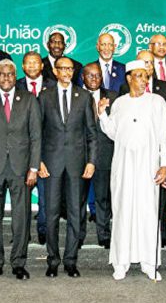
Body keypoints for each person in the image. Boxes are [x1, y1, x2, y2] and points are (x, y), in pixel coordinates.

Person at [98, 60, 166, 281]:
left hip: (149, 167)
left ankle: (150, 263)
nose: (144, 80)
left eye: (146, 76)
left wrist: (165, 165)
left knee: (148, 212)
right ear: (129, 78)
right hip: (123, 167)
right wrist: (102, 114)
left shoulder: (157, 102)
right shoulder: (119, 103)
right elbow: (113, 132)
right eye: (139, 76)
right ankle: (121, 262)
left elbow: (164, 136)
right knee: (123, 211)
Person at [0, 59, 41, 280]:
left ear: (16, 76)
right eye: (2, 74)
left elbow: (36, 136)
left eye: (10, 74)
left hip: (20, 168)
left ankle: (19, 263)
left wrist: (34, 167)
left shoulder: (29, 99)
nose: (6, 78)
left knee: (21, 217)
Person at [39, 57, 97, 278]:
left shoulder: (84, 97)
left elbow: (91, 133)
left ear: (74, 71)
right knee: (51, 213)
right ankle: (53, 260)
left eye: (70, 69)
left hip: (77, 164)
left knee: (75, 214)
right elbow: (37, 132)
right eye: (62, 68)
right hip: (50, 164)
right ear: (55, 71)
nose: (66, 72)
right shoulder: (44, 96)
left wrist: (91, 161)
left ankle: (71, 260)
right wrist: (38, 161)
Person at [82, 63, 118, 248]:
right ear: (83, 77)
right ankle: (78, 235)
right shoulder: (75, 95)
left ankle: (104, 234)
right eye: (90, 75)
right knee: (78, 199)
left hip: (105, 154)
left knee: (103, 197)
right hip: (80, 154)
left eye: (97, 75)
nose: (94, 79)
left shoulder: (113, 97)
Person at [17, 51, 51, 245]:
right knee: (21, 199)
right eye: (28, 63)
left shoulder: (53, 87)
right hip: (20, 152)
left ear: (42, 66)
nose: (31, 66)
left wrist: (41, 158)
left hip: (47, 151)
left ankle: (43, 231)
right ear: (22, 66)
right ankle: (22, 234)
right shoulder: (14, 86)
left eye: (35, 63)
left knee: (45, 198)